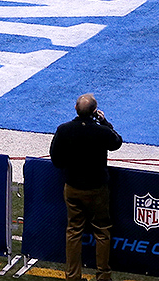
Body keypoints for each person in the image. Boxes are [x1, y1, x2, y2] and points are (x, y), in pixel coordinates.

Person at [50, 94, 123, 281]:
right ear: (94, 112)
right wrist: (105, 122)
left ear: (75, 108)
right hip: (97, 189)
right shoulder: (102, 132)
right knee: (102, 230)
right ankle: (103, 276)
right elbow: (117, 142)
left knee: (74, 231)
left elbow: (56, 160)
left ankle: (73, 276)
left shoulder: (64, 130)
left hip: (73, 187)